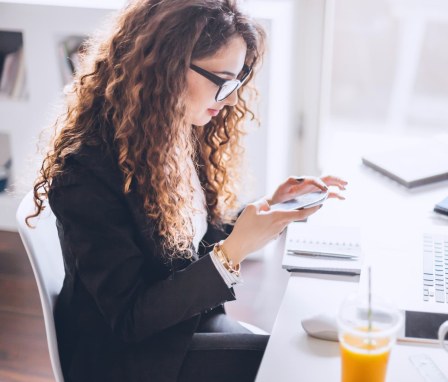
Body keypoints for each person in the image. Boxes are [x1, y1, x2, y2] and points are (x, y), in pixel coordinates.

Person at [28, 1, 347, 381]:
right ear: (166, 65)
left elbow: (189, 236)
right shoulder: (84, 171)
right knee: (297, 361)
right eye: (224, 80)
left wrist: (268, 208)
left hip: (183, 325)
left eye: (239, 81)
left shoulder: (173, 130)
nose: (230, 99)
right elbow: (130, 319)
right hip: (129, 359)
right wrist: (233, 252)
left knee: (302, 353)